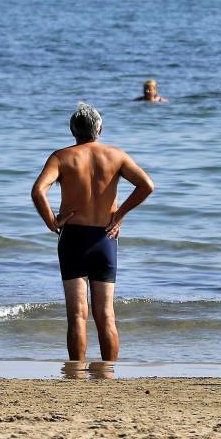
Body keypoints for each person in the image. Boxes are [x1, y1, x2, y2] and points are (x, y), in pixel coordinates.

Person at [31, 102, 155, 363]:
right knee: (106, 313)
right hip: (105, 239)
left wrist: (52, 221)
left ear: (72, 130)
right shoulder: (117, 156)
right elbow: (146, 185)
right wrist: (119, 215)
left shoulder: (61, 157)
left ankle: (77, 372)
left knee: (77, 314)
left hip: (74, 239)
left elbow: (38, 190)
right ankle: (108, 372)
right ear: (100, 128)